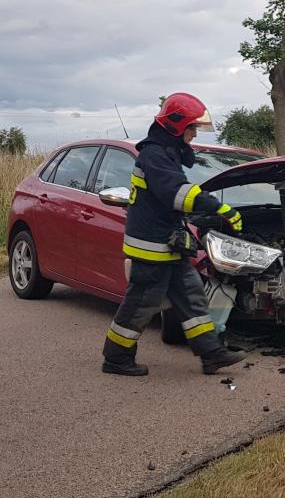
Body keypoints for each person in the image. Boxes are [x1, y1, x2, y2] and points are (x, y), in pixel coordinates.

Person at [102, 93, 250, 376]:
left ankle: (211, 353)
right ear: (176, 126)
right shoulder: (154, 155)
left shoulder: (165, 153)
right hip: (150, 248)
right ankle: (117, 357)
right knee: (140, 305)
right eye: (192, 128)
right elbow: (177, 193)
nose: (194, 135)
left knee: (191, 295)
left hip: (168, 245)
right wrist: (220, 208)